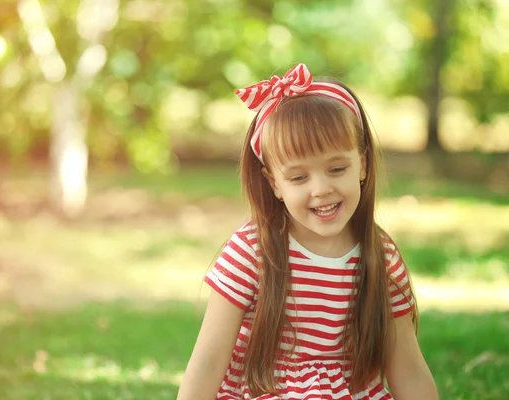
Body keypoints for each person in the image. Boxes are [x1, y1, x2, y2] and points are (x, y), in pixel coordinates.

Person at [177, 64, 438, 400]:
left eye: (337, 169)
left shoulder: (380, 256)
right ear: (275, 184)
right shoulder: (252, 250)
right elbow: (208, 362)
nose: (320, 189)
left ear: (363, 164)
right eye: (299, 178)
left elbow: (409, 370)